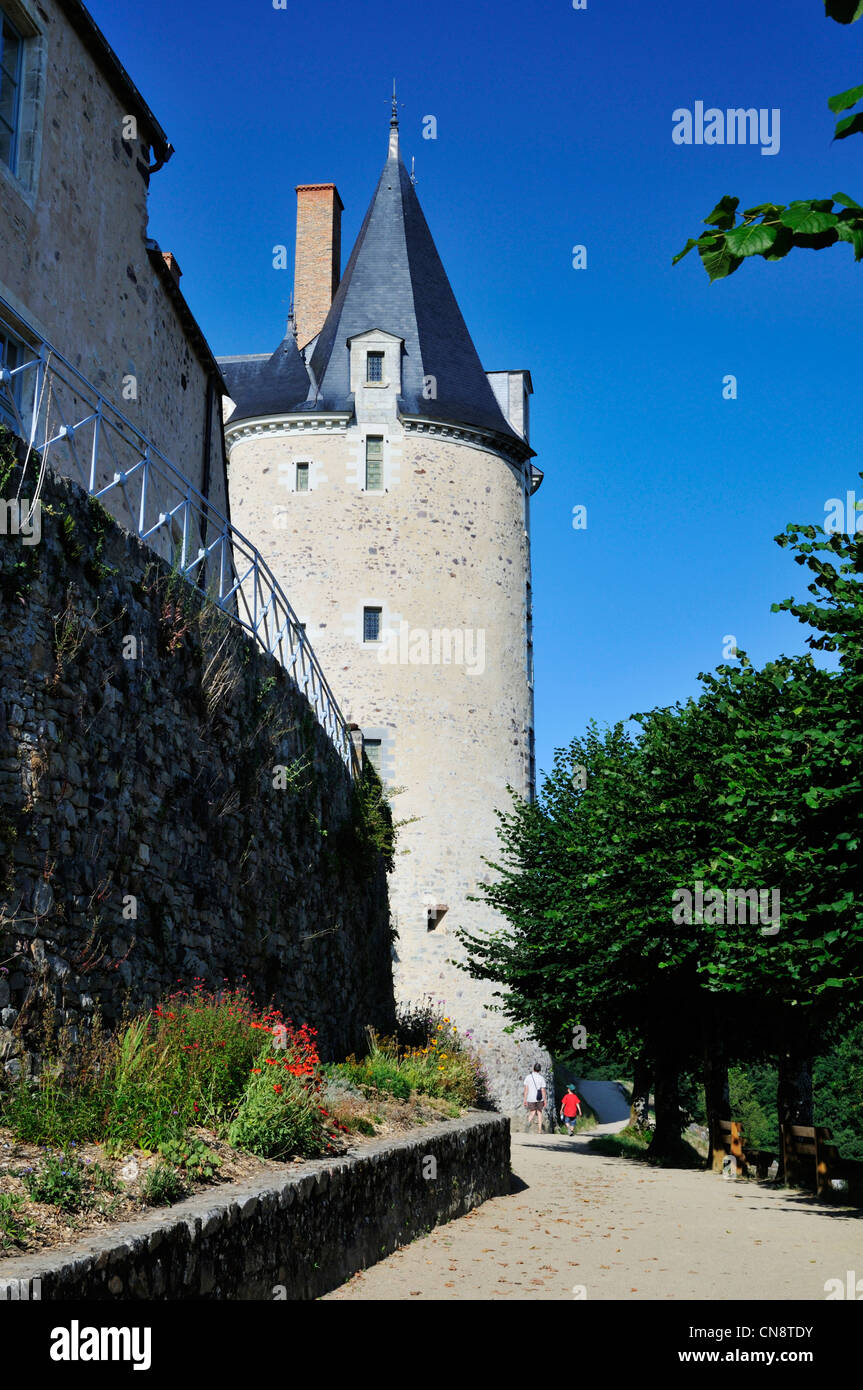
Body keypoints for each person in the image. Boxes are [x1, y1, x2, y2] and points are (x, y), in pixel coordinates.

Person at [523, 1062, 546, 1134]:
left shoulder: (528, 1077)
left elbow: (526, 1089)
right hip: (539, 1098)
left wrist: (525, 1099)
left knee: (532, 1112)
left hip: (530, 1098)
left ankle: (528, 1122)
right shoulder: (541, 1078)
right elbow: (543, 1090)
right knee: (539, 1113)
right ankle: (539, 1130)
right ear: (540, 1070)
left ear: (533, 1068)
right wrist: (545, 1100)